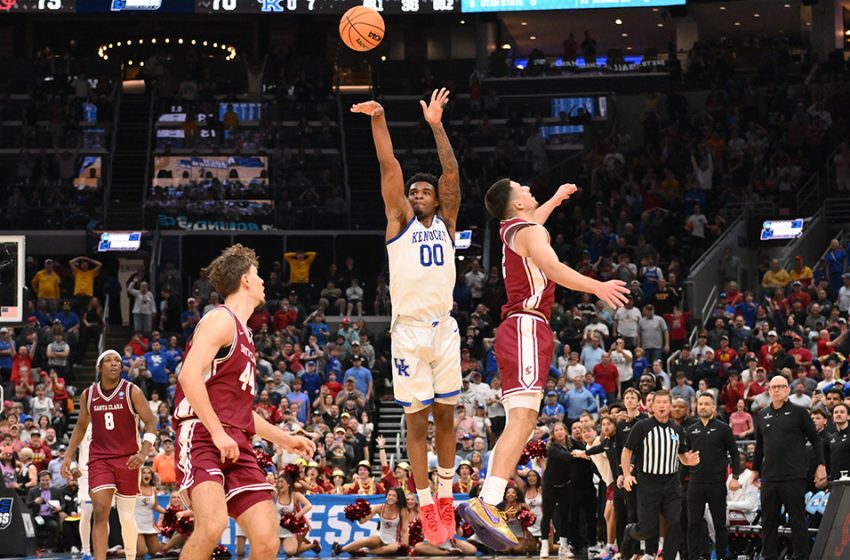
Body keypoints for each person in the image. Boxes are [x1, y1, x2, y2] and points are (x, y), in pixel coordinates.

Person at [459, 178, 628, 551]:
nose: (528, 189)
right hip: (525, 326)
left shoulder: (517, 227)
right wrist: (597, 286)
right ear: (515, 203)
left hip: (521, 328)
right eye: (522, 188)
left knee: (524, 420)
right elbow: (551, 267)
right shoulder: (528, 230)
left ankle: (488, 500)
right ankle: (487, 502)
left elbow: (535, 220)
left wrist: (553, 199)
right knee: (520, 422)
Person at [351, 89, 462, 545]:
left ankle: (448, 493)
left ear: (437, 201)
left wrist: (436, 125)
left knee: (447, 418)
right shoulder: (398, 221)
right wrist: (379, 119)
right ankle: (426, 501)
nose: (417, 194)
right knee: (417, 423)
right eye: (414, 191)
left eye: (425, 191)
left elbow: (451, 172)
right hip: (408, 333)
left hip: (444, 328)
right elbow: (389, 167)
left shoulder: (447, 222)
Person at [171, 244, 314, 560]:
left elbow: (242, 414)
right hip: (202, 435)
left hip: (236, 438)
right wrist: (218, 433)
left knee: (266, 538)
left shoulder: (246, 336)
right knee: (212, 526)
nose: (263, 281)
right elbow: (188, 377)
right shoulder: (219, 320)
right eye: (258, 275)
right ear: (246, 280)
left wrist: (286, 439)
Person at [62, 350, 159, 560]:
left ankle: (131, 557)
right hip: (99, 459)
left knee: (125, 516)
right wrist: (68, 456)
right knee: (100, 511)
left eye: (118, 361)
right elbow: (80, 426)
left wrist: (143, 452)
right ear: (99, 368)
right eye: (108, 360)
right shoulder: (88, 394)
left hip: (129, 459)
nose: (114, 364)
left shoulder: (132, 391)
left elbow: (151, 422)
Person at [620, 390, 700, 560]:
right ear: (652, 406)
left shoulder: (677, 429)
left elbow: (682, 455)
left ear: (670, 406)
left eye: (665, 402)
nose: (662, 405)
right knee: (647, 528)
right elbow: (626, 451)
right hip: (648, 482)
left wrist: (689, 460)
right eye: (659, 402)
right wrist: (627, 474)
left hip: (671, 483)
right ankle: (630, 532)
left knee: (674, 523)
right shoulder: (642, 426)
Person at [752, 375, 826, 560]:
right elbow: (759, 446)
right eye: (773, 387)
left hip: (793, 476)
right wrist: (754, 470)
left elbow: (816, 439)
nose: (777, 390)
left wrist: (821, 465)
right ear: (768, 391)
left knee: (797, 522)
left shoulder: (799, 412)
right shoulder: (762, 415)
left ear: (788, 390)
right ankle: (769, 557)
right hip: (769, 478)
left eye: (781, 386)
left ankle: (801, 557)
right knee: (768, 523)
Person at [684, 393, 741, 560]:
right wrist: (681, 480)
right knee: (693, 524)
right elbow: (684, 458)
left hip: (716, 483)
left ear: (713, 407)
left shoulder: (723, 428)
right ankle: (693, 557)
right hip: (695, 483)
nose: (702, 407)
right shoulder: (690, 430)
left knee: (719, 525)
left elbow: (735, 454)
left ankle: (721, 556)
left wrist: (735, 476)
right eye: (700, 404)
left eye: (706, 404)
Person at [332, 487, 410, 556]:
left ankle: (366, 552)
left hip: (395, 541)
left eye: (394, 496)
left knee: (393, 548)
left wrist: (405, 547)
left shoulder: (402, 510)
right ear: (386, 497)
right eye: (389, 495)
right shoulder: (379, 507)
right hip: (381, 537)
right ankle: (340, 549)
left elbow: (405, 530)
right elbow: (363, 521)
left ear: (398, 499)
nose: (391, 497)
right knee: (369, 540)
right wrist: (357, 515)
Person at [274, 469, 321, 556]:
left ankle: (312, 545)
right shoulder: (276, 493)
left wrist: (296, 478)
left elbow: (309, 489)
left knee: (292, 552)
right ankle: (311, 544)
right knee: (275, 552)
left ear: (288, 482)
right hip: (279, 527)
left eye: (282, 481)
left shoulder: (295, 492)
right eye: (278, 481)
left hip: (297, 525)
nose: (279, 483)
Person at [135, 466, 167, 557]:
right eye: (144, 473)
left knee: (155, 552)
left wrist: (168, 512)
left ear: (151, 476)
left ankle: (120, 550)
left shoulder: (154, 489)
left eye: (149, 473)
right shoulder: (134, 487)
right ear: (140, 475)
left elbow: (155, 506)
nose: (146, 475)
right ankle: (118, 552)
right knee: (141, 552)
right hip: (135, 525)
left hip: (149, 524)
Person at [828, 403, 850, 480]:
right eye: (836, 412)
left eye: (842, 412)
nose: (838, 414)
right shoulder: (831, 438)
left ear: (848, 416)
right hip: (834, 482)